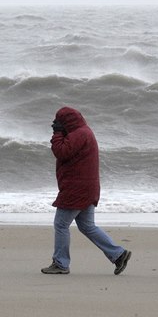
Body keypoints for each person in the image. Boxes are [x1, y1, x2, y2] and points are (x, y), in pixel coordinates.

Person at [41, 106, 131, 275]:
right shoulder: (84, 131)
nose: (56, 124)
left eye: (59, 121)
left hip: (77, 188)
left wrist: (57, 133)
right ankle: (118, 254)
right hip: (87, 187)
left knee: (61, 224)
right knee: (87, 226)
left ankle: (61, 263)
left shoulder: (78, 134)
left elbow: (61, 152)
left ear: (66, 121)